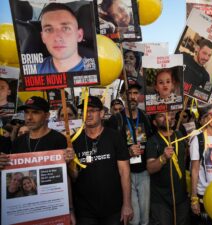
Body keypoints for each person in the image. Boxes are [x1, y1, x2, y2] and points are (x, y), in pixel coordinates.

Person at [0, 96, 76, 222]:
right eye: (26, 113)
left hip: (53, 209)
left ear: (46, 116)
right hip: (26, 212)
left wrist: (70, 209)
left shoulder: (58, 139)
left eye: (35, 112)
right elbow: (10, 171)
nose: (29, 117)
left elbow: (68, 177)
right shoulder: (18, 142)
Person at [72, 96, 133, 224]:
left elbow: (124, 172)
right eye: (84, 111)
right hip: (85, 211)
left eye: (92, 110)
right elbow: (73, 176)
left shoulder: (115, 137)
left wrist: (127, 204)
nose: (87, 115)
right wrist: (68, 162)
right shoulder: (74, 141)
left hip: (113, 209)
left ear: (101, 113)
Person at [106, 82, 153, 225]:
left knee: (145, 218)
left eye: (135, 93)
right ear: (122, 96)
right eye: (129, 93)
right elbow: (109, 149)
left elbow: (151, 142)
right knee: (134, 218)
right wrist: (127, 152)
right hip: (125, 174)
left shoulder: (145, 117)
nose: (132, 97)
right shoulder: (115, 120)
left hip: (144, 173)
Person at [146, 112, 189, 225]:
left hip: (181, 197)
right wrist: (163, 158)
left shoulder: (180, 135)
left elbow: (184, 158)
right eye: (161, 116)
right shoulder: (152, 141)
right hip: (161, 200)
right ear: (155, 123)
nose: (166, 118)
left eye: (168, 114)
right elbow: (150, 168)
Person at [37, 3, 94, 73]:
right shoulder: (34, 69)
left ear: (79, 35)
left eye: (66, 28)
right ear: (43, 37)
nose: (57, 38)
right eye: (49, 30)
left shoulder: (96, 70)